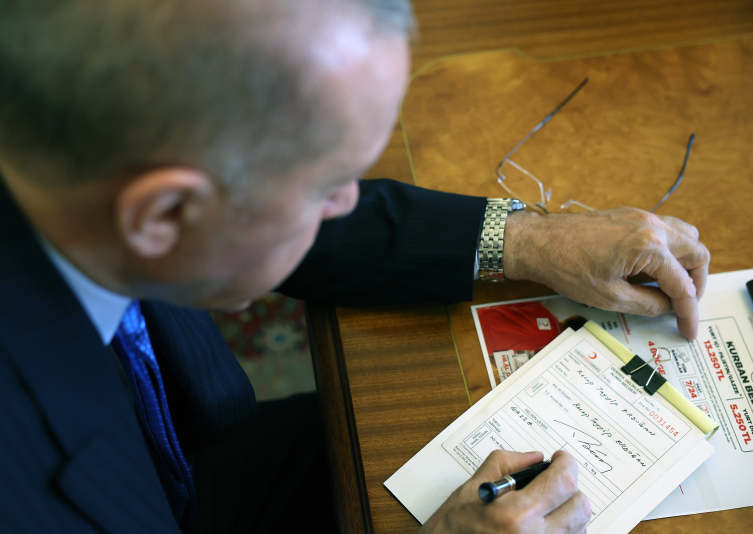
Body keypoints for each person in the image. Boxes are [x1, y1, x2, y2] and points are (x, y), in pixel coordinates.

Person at [0, 0, 709, 533]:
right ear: (162, 216)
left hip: (195, 452)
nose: (347, 204)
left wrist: (529, 240)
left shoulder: (84, 153)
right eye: (326, 186)